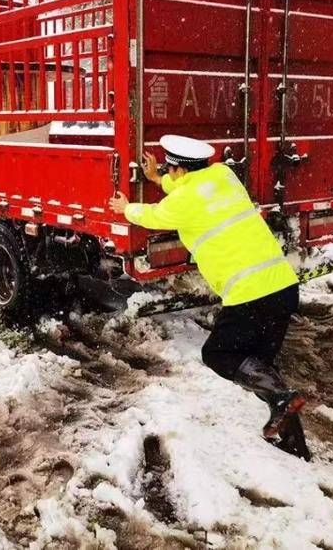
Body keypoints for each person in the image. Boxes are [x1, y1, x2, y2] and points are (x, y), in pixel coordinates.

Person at [109, 135, 309, 459]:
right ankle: (294, 445)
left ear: (178, 171)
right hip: (284, 287)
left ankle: (283, 404)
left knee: (218, 354)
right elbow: (189, 190)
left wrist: (125, 207)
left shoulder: (183, 201)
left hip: (250, 294)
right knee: (263, 368)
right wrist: (157, 178)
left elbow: (154, 215)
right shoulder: (224, 177)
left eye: (169, 170)